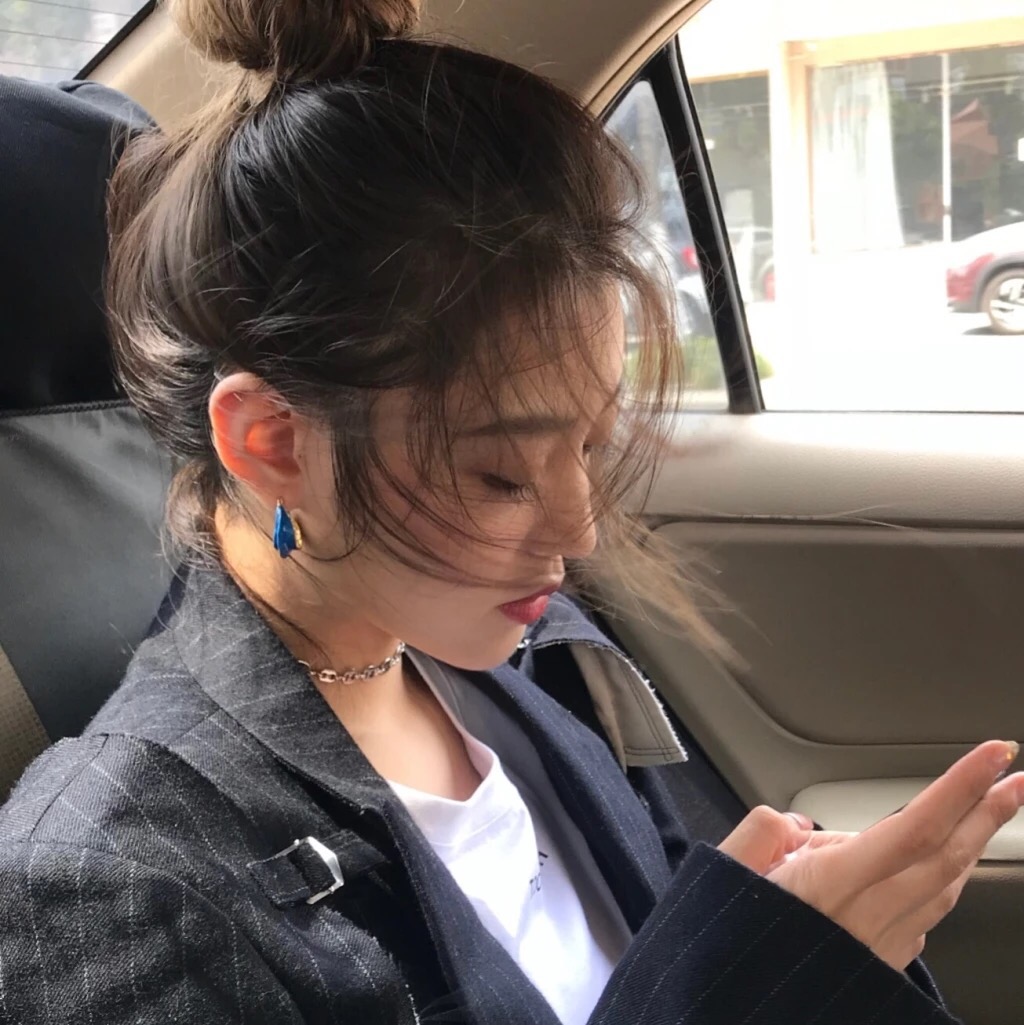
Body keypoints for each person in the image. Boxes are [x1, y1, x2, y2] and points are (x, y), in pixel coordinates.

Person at [0, 2, 1021, 1022]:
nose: (580, 532)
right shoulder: (118, 884)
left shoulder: (525, 656)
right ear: (273, 443)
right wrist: (749, 992)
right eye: (498, 475)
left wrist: (763, 932)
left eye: (590, 443)